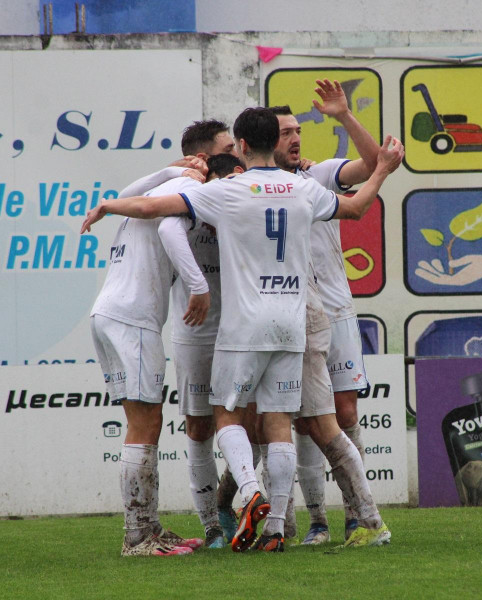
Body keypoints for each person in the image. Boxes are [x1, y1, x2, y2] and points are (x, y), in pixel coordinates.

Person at [81, 107, 404, 552]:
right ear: (276, 141)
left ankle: (249, 495)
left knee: (227, 416)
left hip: (244, 324)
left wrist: (107, 205)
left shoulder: (229, 190)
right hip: (294, 321)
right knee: (280, 423)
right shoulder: (302, 187)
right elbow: (357, 206)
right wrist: (383, 170)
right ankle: (279, 528)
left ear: (244, 148)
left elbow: (155, 208)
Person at [89, 120, 234, 558]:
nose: (236, 158)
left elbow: (126, 195)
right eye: (228, 150)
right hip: (133, 318)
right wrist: (198, 286)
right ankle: (138, 537)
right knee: (145, 423)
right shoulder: (188, 185)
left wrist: (169, 169)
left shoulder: (166, 182)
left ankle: (149, 528)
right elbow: (171, 230)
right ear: (204, 159)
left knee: (144, 419)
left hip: (112, 312)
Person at [272, 80, 381, 544]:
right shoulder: (252, 186)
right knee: (302, 418)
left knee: (343, 409)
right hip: (286, 313)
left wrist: (344, 116)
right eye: (284, 133)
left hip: (334, 311)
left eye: (298, 130)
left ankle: (356, 515)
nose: (296, 138)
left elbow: (375, 164)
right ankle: (317, 520)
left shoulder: (317, 177)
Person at [161, 153, 244, 550]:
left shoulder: (244, 201)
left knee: (256, 428)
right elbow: (156, 218)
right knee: (198, 428)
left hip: (241, 334)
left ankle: (230, 502)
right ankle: (211, 525)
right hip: (194, 334)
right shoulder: (183, 205)